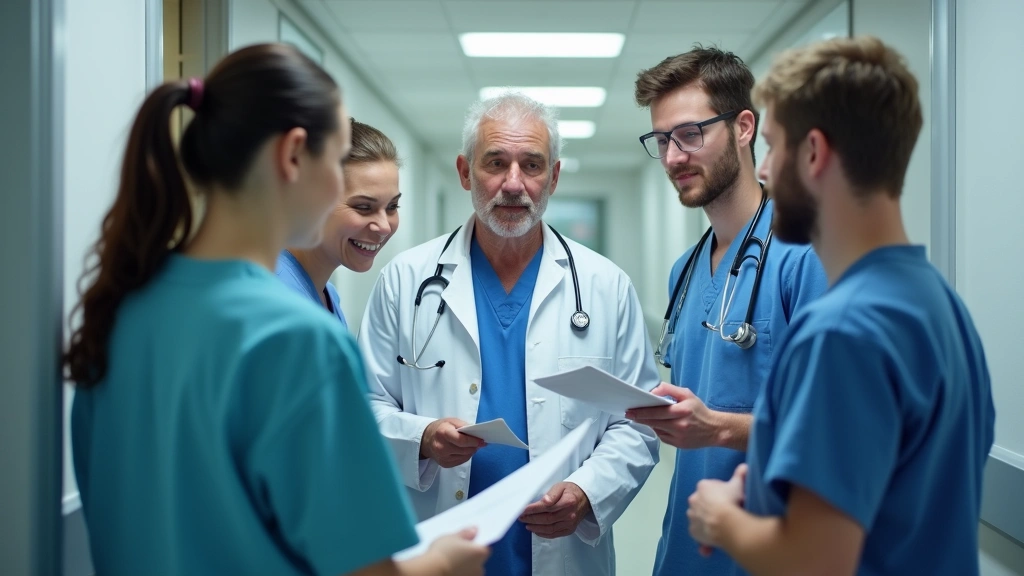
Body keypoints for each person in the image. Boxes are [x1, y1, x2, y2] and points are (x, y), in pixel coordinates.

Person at [64, 43, 487, 576]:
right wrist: (444, 565)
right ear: (292, 156)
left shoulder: (121, 308)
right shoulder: (295, 338)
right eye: (336, 165)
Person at [685, 36, 996, 576]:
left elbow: (815, 560)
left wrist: (720, 518)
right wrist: (764, 492)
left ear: (813, 154)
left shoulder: (841, 330)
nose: (762, 169)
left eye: (774, 145)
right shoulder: (937, 303)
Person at [358, 92, 660, 576]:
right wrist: (422, 436)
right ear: (464, 172)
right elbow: (363, 409)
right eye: (495, 163)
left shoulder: (605, 286)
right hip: (440, 548)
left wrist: (588, 491)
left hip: (563, 555)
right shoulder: (405, 280)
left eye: (532, 165)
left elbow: (638, 423)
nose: (514, 184)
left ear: (554, 177)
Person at [625, 46, 828, 576]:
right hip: (687, 548)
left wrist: (718, 428)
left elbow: (840, 430)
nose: (672, 157)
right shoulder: (684, 272)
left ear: (743, 127)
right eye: (662, 140)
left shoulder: (806, 257)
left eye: (690, 134)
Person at [276, 118, 402, 328]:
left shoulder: (328, 297)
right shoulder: (276, 299)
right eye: (363, 207)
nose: (384, 227)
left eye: (392, 206)